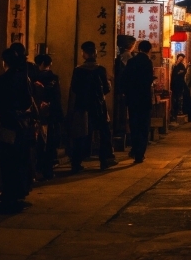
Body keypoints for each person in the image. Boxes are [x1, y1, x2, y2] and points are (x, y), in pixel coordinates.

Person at [0, 46, 35, 211]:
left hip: (6, 124)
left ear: (4, 62)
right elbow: (28, 102)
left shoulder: (0, 81)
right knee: (20, 161)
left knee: (6, 162)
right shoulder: (23, 79)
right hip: (22, 125)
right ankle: (18, 194)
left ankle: (9, 196)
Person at [68, 41, 117, 173]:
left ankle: (76, 162)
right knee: (103, 133)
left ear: (84, 54)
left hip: (82, 106)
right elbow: (106, 89)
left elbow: (74, 88)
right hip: (98, 106)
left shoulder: (78, 70)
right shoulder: (100, 70)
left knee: (81, 133)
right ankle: (104, 160)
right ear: (95, 53)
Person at [122, 40, 154, 164]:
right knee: (144, 126)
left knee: (134, 125)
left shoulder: (131, 61)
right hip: (144, 98)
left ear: (138, 49)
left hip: (132, 99)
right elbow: (148, 80)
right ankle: (140, 154)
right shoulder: (147, 62)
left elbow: (124, 79)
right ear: (149, 50)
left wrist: (127, 92)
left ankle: (135, 149)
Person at [32, 53, 63, 180]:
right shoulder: (54, 78)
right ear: (49, 64)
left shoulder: (33, 77)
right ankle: (48, 170)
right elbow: (57, 97)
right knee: (50, 142)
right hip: (52, 114)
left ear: (39, 64)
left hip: (37, 114)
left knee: (39, 142)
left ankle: (38, 168)